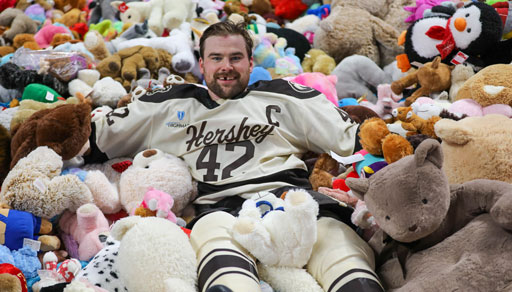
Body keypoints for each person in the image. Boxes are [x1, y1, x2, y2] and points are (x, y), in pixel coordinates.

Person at [85, 21, 382, 292]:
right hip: (221, 211)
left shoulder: (286, 97)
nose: (226, 66)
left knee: (338, 246)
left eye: (235, 58)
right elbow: (91, 138)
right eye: (216, 58)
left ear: (251, 63)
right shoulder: (168, 105)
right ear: (201, 64)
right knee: (214, 240)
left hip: (294, 202)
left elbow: (359, 139)